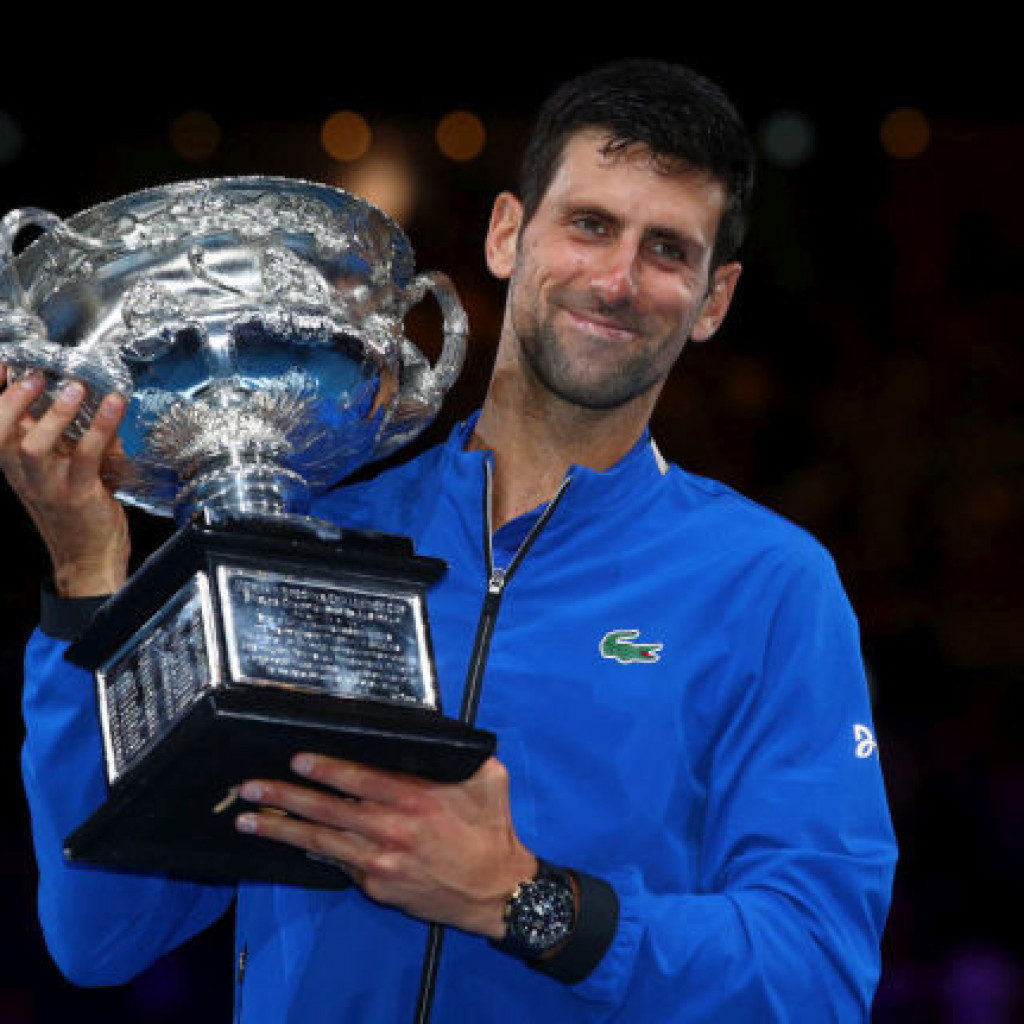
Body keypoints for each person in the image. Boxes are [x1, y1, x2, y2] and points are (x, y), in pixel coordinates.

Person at [2, 60, 897, 1021]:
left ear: (714, 299)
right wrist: (88, 584)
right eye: (590, 225)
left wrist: (524, 900)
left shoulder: (769, 585)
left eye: (668, 250)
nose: (618, 280)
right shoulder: (315, 533)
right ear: (508, 233)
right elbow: (102, 935)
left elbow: (818, 977)